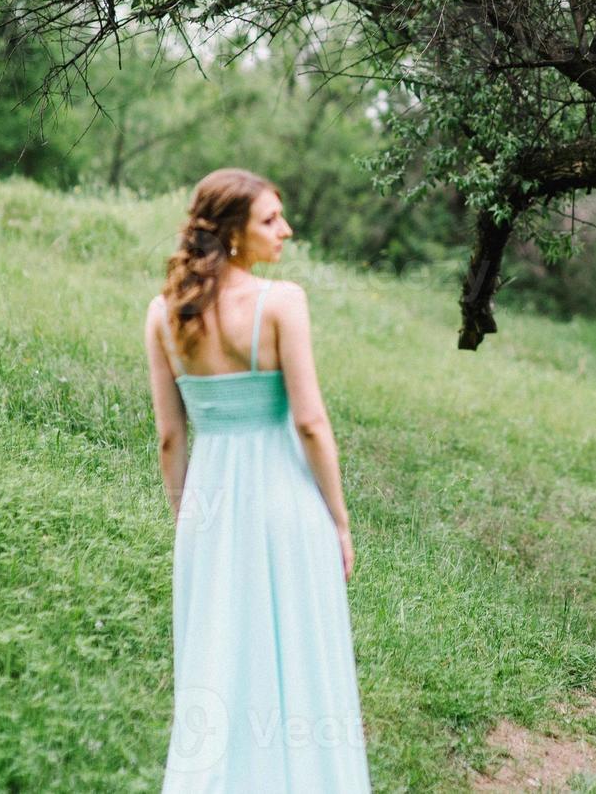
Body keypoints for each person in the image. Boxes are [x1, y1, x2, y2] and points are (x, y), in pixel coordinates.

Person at [144, 168, 370, 791]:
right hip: (284, 502)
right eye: (271, 219)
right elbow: (311, 423)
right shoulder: (282, 303)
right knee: (300, 657)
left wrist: (185, 515)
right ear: (234, 233)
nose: (286, 230)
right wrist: (340, 521)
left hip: (208, 510)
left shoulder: (165, 315)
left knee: (218, 663)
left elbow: (170, 438)